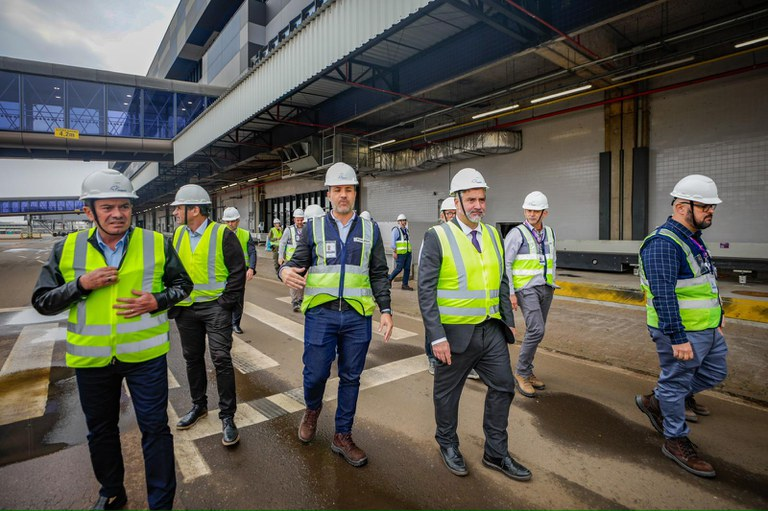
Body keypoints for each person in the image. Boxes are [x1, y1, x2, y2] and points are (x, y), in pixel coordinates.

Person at [31, 169, 193, 510]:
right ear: (89, 211)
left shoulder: (157, 243)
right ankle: (112, 491)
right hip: (92, 360)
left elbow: (184, 286)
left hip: (145, 357)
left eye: (123, 206)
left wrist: (158, 300)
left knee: (155, 429)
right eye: (107, 207)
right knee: (101, 432)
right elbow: (42, 302)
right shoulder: (67, 249)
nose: (117, 214)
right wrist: (80, 285)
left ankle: (161, 502)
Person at [418, 167, 531, 482]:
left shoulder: (493, 234)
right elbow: (425, 292)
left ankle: (496, 453)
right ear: (457, 200)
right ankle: (447, 442)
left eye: (482, 199)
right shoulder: (437, 236)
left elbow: (501, 279)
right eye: (471, 199)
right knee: (447, 394)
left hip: (490, 329)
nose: (479, 205)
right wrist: (436, 337)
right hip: (453, 335)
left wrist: (506, 319)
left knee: (504, 386)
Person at [280, 162, 393, 467]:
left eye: (348, 189)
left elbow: (379, 273)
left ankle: (342, 435)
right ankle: (312, 409)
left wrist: (386, 309)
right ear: (328, 194)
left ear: (355, 193)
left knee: (351, 377)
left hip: (357, 317)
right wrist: (284, 271)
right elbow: (295, 260)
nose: (343, 195)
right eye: (337, 190)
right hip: (321, 315)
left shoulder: (370, 230)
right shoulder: (314, 228)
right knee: (315, 373)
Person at [635, 174, 726, 478]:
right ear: (682, 206)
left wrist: (718, 315)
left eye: (712, 206)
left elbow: (704, 281)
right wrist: (677, 338)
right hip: (680, 332)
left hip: (706, 327)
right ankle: (675, 439)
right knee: (675, 384)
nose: (710, 211)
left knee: (716, 371)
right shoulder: (663, 243)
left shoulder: (692, 238)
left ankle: (657, 400)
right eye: (704, 206)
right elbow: (663, 295)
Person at [170, 184, 245, 447]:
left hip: (216, 308)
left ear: (195, 209)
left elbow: (238, 270)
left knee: (221, 358)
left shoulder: (223, 234)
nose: (175, 212)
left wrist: (225, 302)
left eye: (179, 207)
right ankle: (198, 406)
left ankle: (227, 417)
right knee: (192, 359)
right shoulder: (177, 235)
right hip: (187, 310)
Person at [504, 191, 556, 398]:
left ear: (545, 212)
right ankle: (522, 373)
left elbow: (552, 258)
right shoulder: (517, 233)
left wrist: (551, 283)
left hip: (546, 287)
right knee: (536, 329)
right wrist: (510, 293)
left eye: (536, 210)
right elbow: (506, 263)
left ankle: (528, 370)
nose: (531, 214)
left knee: (539, 331)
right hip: (526, 288)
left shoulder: (550, 232)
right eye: (528, 210)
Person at [423, 197, 478, 380]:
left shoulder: (465, 235)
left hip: (457, 297)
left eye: (453, 213)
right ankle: (432, 357)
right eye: (449, 213)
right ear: (442, 215)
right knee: (432, 327)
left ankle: (465, 364)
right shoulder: (434, 235)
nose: (452, 216)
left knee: (460, 334)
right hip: (438, 294)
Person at [221, 206, 257, 334]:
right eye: (228, 221)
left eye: (233, 221)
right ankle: (224, 321)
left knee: (238, 297)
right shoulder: (218, 234)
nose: (230, 224)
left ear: (238, 220)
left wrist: (251, 268)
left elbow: (252, 252)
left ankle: (235, 323)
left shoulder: (245, 234)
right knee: (222, 296)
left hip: (240, 272)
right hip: (222, 271)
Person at [279, 208, 306, 312]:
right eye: (297, 220)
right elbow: (282, 243)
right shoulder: (289, 230)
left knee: (302, 281)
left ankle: (300, 299)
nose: (299, 222)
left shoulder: (306, 229)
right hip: (292, 261)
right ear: (294, 219)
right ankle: (295, 301)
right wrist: (280, 256)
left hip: (303, 261)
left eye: (301, 220)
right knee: (293, 281)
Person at [388, 213, 414, 290]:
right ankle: (389, 279)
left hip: (408, 253)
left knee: (407, 269)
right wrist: (394, 251)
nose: (403, 222)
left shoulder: (406, 230)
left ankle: (405, 285)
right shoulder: (396, 230)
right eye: (401, 220)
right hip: (400, 253)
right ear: (398, 222)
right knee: (399, 268)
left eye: (404, 220)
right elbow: (393, 242)